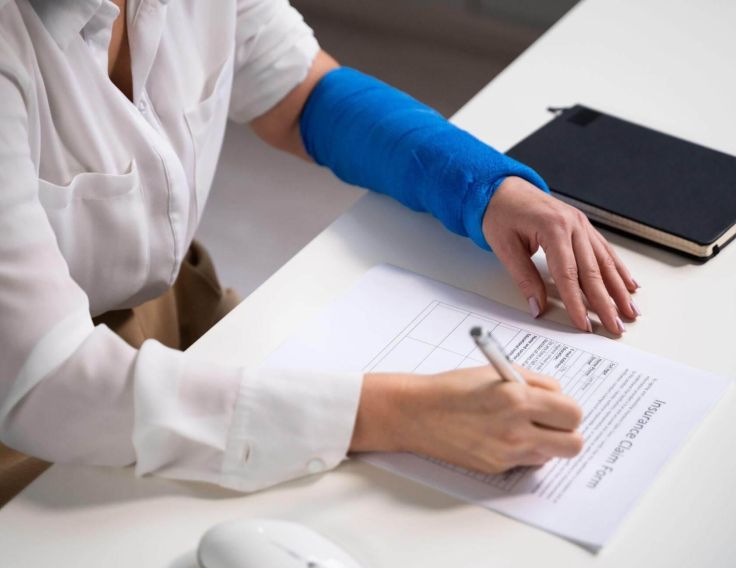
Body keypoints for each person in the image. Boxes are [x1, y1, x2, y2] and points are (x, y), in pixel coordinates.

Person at [0, 0, 640, 505]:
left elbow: (303, 95)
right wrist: (399, 414)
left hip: (161, 310)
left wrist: (487, 187)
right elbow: (47, 385)